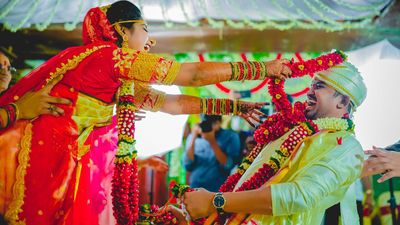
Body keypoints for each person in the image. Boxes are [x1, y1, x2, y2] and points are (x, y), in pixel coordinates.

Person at [0, 1, 291, 224]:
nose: (150, 40)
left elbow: (170, 104)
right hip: (50, 161)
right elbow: (194, 74)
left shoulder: (111, 74)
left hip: (65, 162)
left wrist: (233, 107)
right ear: (122, 31)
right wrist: (265, 68)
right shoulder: (109, 58)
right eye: (145, 29)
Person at [179, 59, 367, 225]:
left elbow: (298, 196)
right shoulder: (295, 130)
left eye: (319, 86)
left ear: (342, 101)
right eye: (311, 85)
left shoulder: (348, 147)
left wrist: (215, 202)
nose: (309, 92)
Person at [183, 115, 241, 192]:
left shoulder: (230, 136)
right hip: (195, 188)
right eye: (203, 123)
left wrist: (212, 141)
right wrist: (193, 137)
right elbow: (187, 164)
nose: (206, 126)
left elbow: (228, 165)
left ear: (218, 123)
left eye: (209, 123)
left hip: (216, 191)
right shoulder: (194, 136)